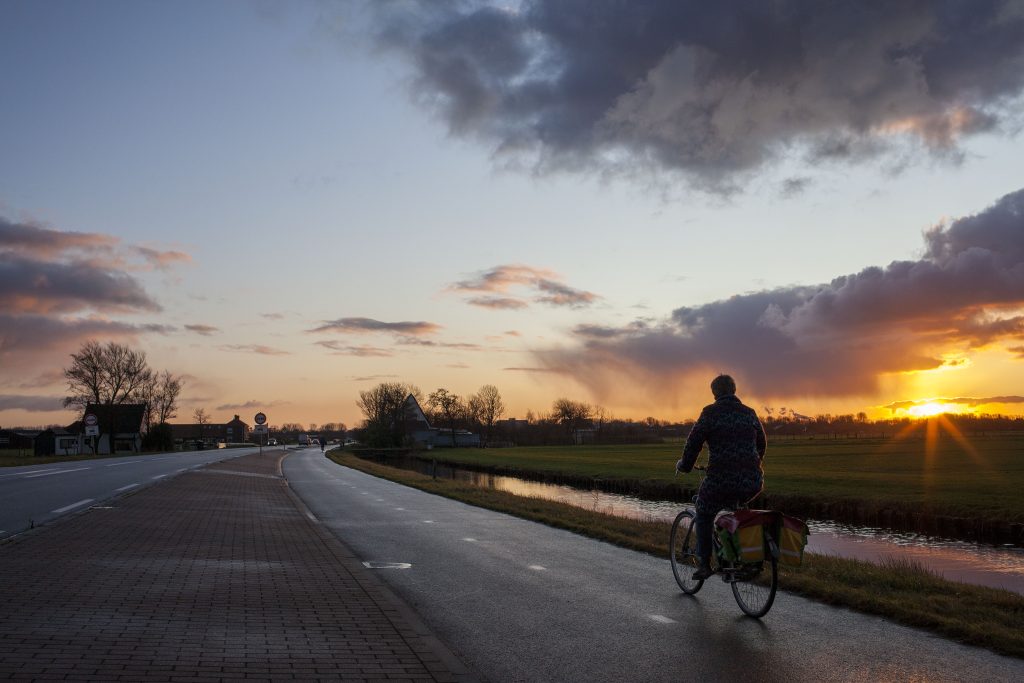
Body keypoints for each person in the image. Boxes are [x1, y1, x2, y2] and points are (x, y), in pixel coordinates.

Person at [676, 374, 766, 581]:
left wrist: (685, 466)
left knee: (704, 512)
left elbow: (693, 443)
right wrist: (752, 464)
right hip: (752, 480)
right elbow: (761, 444)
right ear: (734, 390)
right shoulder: (749, 413)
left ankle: (705, 565)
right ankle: (741, 558)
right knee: (739, 511)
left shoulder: (710, 413)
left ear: (714, 393)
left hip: (720, 479)